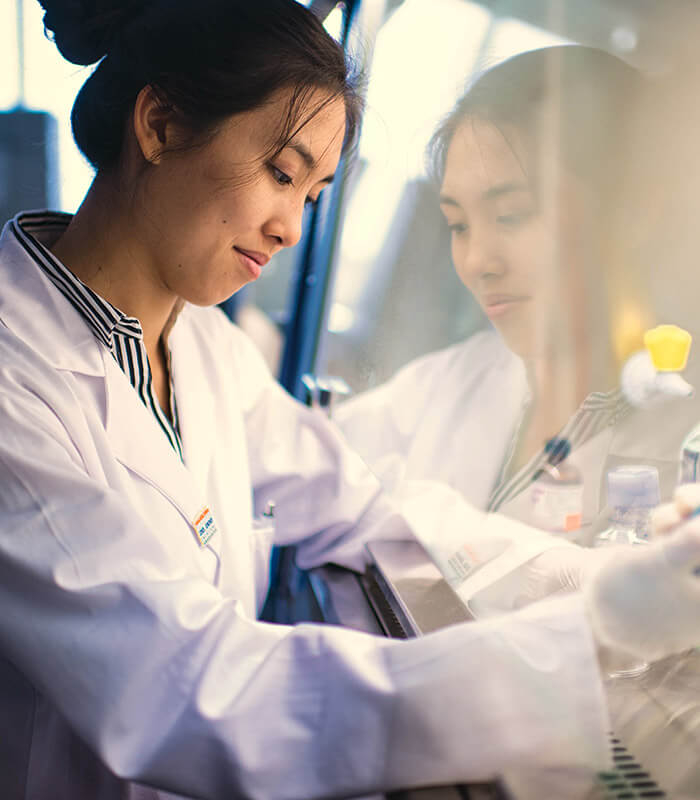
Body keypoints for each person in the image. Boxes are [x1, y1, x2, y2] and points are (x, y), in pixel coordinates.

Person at [2, 4, 700, 798]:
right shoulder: (15, 384)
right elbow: (191, 692)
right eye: (281, 174)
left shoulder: (199, 344)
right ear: (159, 124)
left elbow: (363, 512)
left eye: (312, 194)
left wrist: (606, 582)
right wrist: (599, 628)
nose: (290, 230)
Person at [335, 46, 698, 533]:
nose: (479, 261)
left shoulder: (682, 428)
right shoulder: (453, 383)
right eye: (458, 225)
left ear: (634, 211)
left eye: (511, 215)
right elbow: (306, 462)